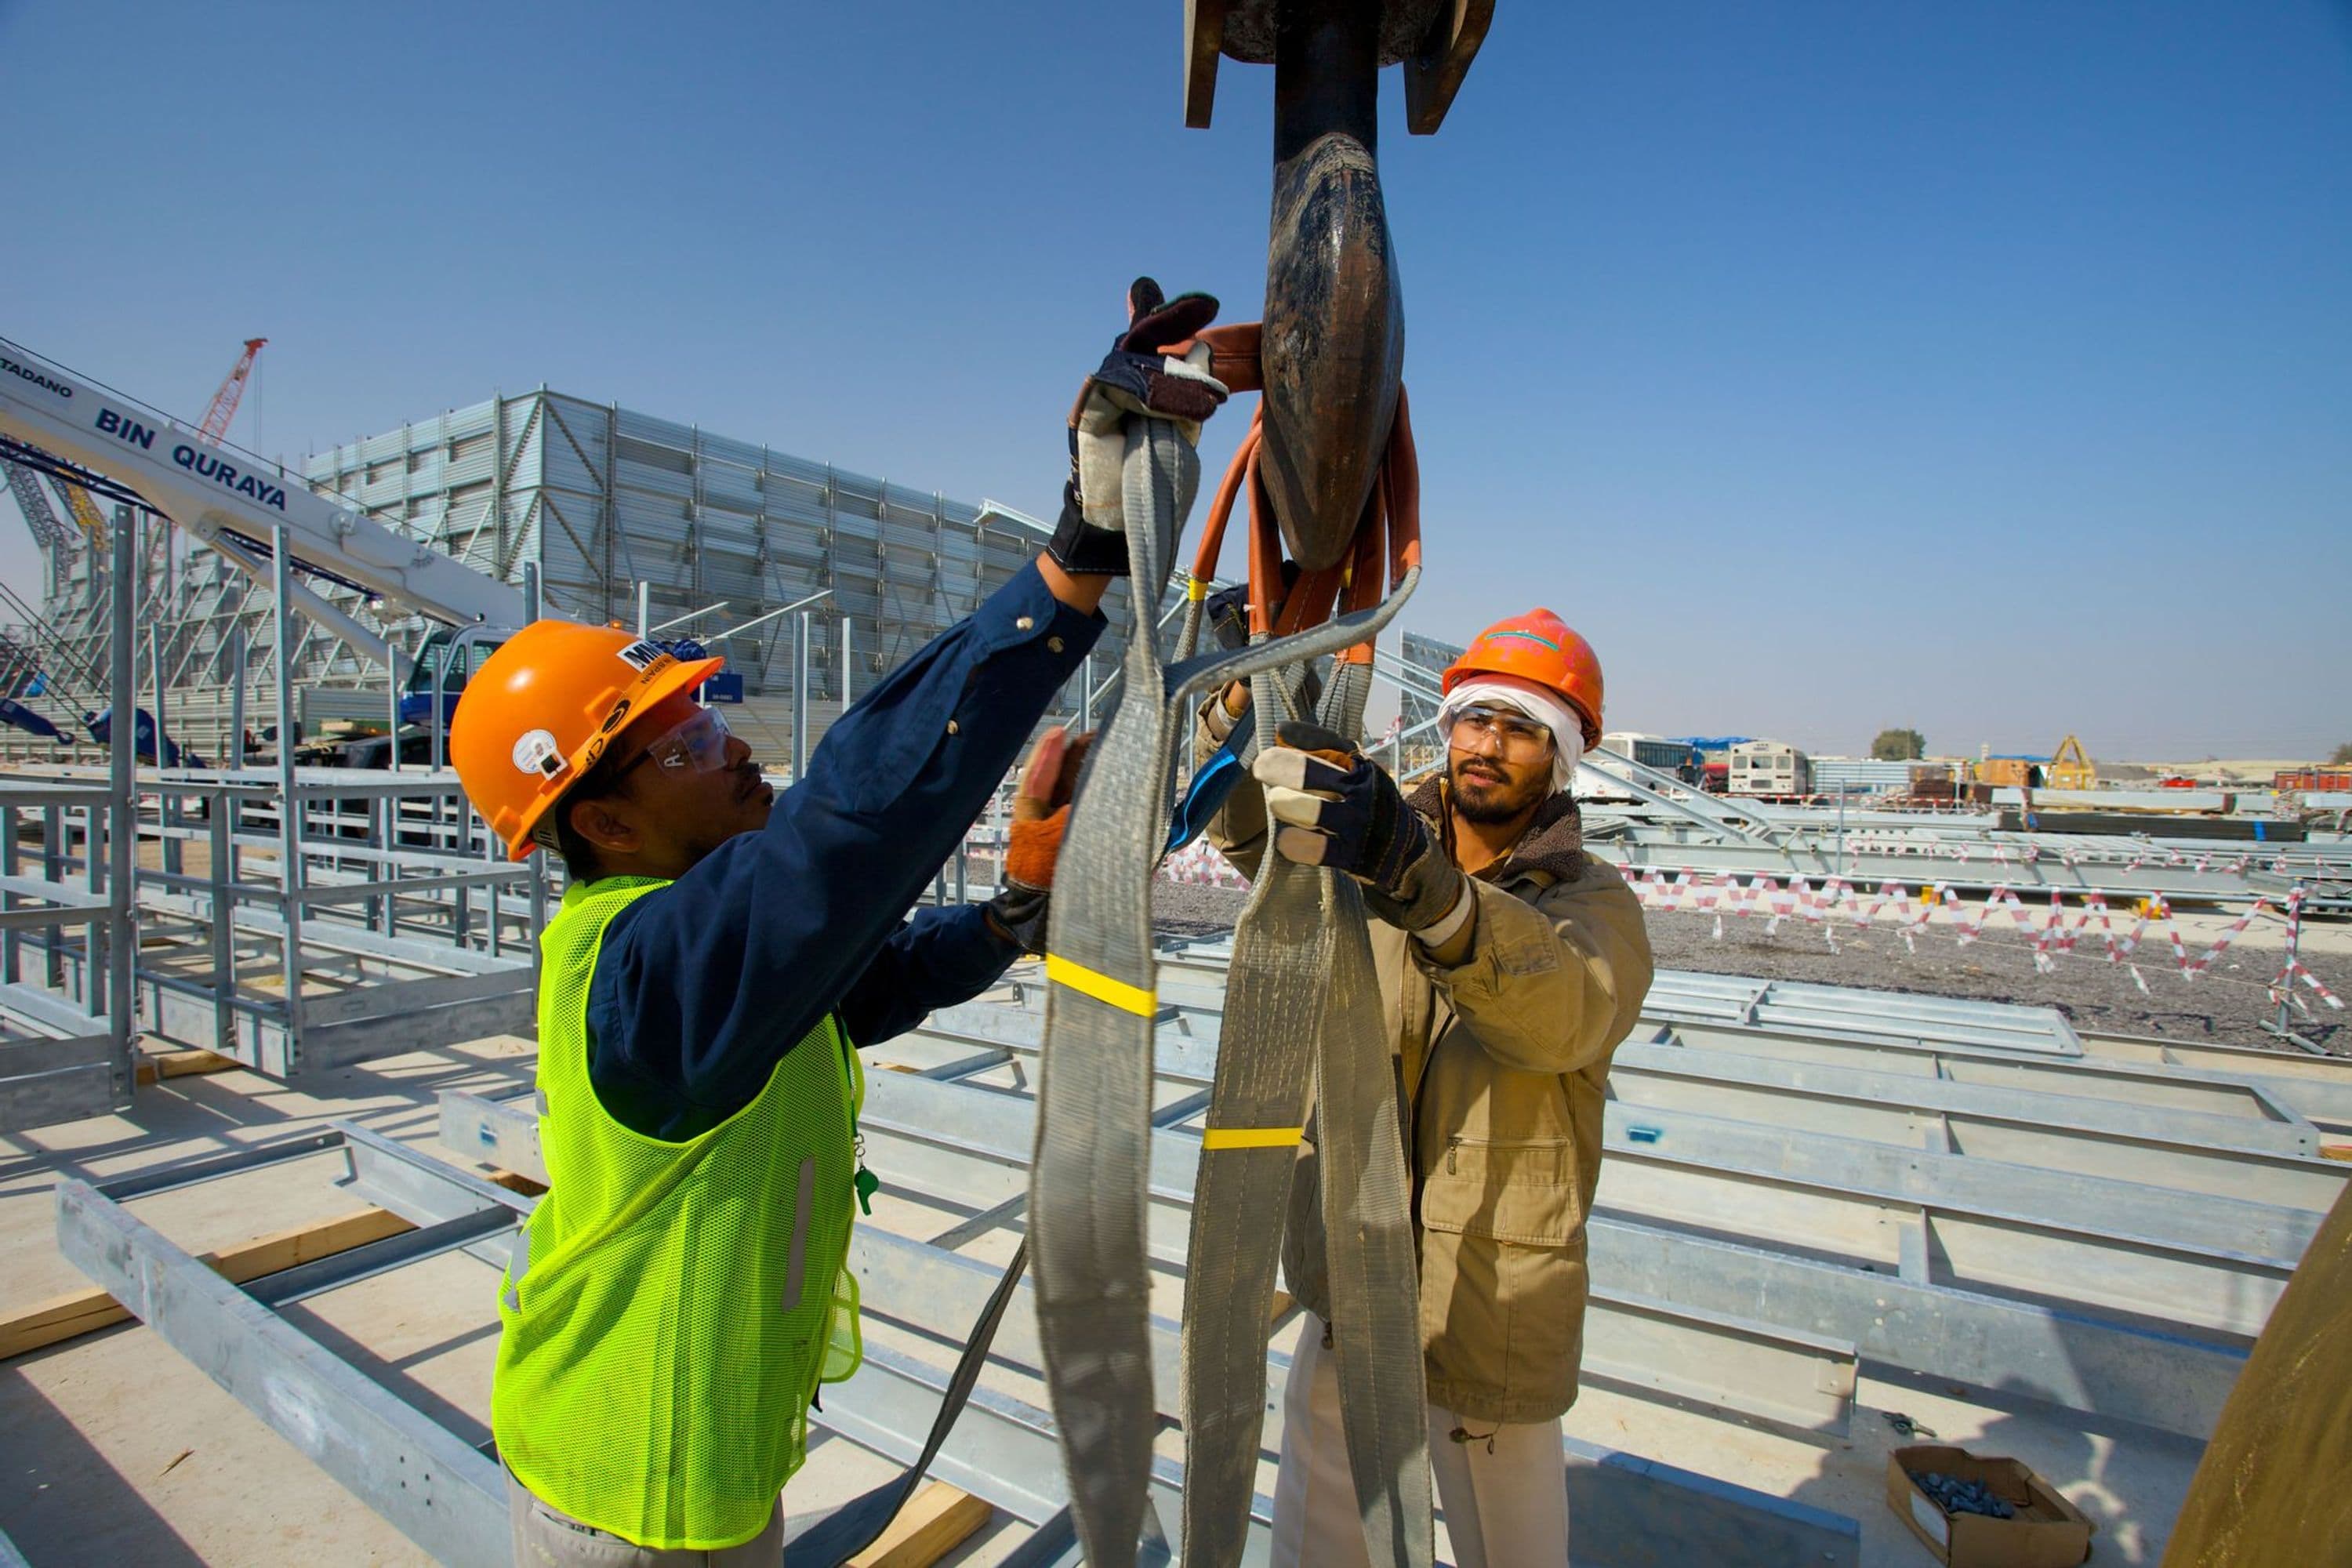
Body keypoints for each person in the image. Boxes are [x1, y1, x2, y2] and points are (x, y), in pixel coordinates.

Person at [448, 278, 1229, 1566]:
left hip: (695, 1465)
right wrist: (1072, 563)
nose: (736, 748)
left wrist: (1014, 915)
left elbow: (856, 989)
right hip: (633, 1505)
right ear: (603, 824)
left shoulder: (703, 968)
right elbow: (846, 833)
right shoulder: (650, 970)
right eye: (685, 742)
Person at [1197, 607, 1655, 1568]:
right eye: (1475, 718)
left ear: (1562, 757)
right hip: (1349, 1275)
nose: (1488, 745)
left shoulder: (1591, 903)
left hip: (1489, 1302)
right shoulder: (1370, 840)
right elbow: (1239, 826)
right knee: (1321, 1539)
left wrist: (1424, 881)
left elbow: (1557, 1017)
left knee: (1511, 1546)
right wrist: (1242, 704)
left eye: (1522, 727)